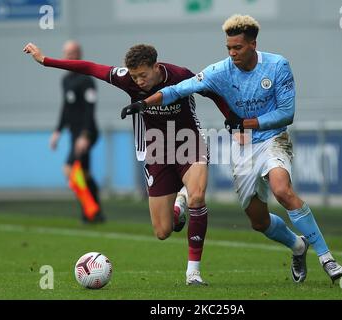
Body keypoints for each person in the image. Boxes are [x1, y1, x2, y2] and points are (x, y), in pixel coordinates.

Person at [123, 14, 342, 283]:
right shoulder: (220, 71)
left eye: (237, 47)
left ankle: (328, 260)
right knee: (258, 221)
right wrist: (145, 104)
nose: (232, 53)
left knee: (282, 190)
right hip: (242, 149)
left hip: (274, 139)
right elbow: (179, 89)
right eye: (228, 48)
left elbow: (287, 113)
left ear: (253, 44)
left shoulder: (278, 66)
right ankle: (298, 246)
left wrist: (247, 122)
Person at [23, 42, 230, 285]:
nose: (139, 81)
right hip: (156, 148)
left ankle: (192, 272)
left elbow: (211, 90)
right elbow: (90, 67)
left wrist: (233, 119)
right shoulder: (126, 79)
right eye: (134, 76)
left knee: (197, 196)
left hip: (189, 142)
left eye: (143, 75)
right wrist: (46, 60)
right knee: (162, 232)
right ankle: (177, 208)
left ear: (156, 66)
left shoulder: (180, 75)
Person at [47, 40, 105, 224]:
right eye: (67, 53)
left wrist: (85, 136)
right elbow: (66, 108)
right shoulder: (65, 80)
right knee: (83, 174)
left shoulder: (86, 79)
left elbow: (90, 109)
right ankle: (94, 213)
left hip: (87, 133)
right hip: (74, 133)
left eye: (73, 52)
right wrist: (57, 131)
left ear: (79, 54)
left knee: (70, 170)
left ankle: (90, 211)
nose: (69, 56)